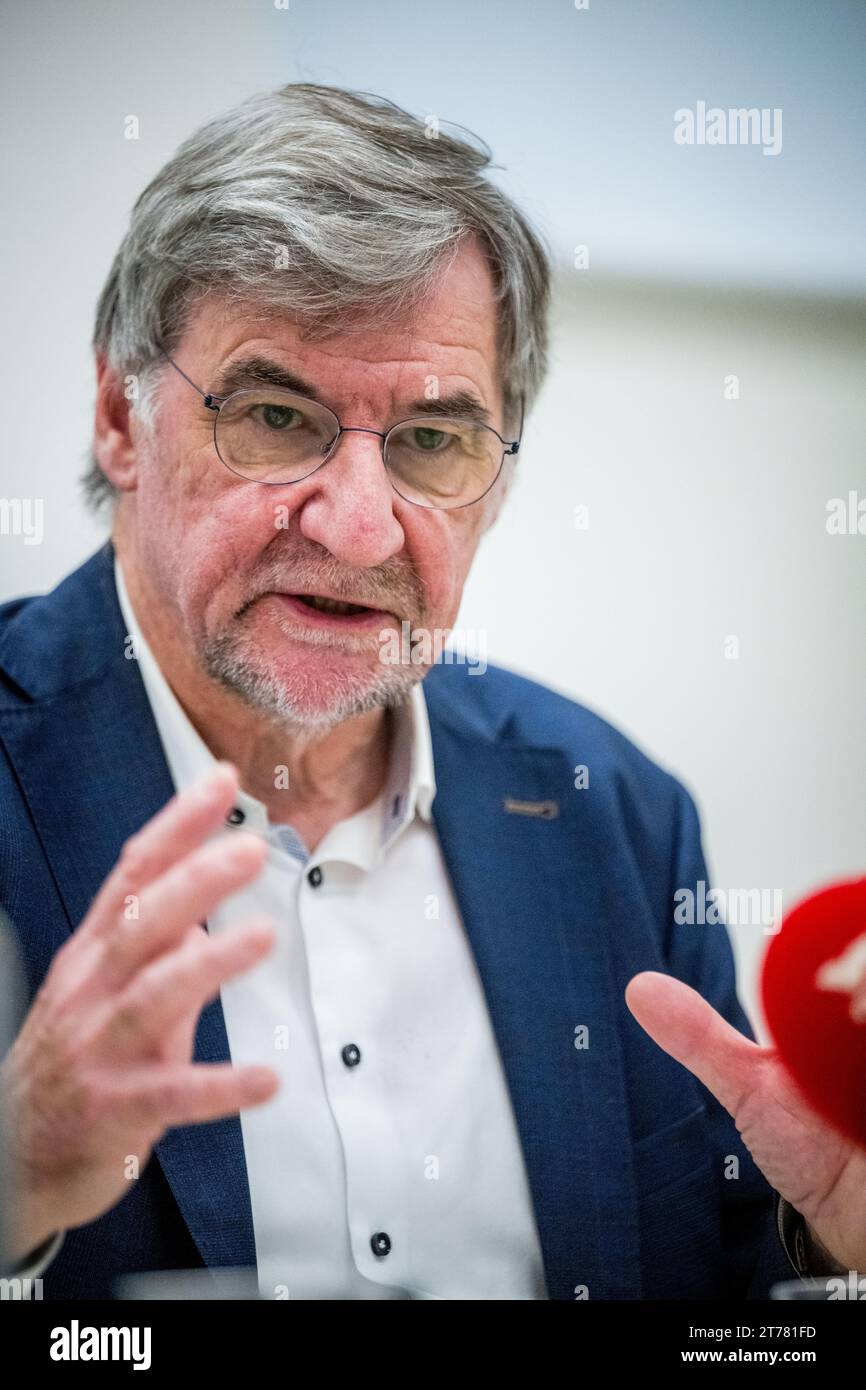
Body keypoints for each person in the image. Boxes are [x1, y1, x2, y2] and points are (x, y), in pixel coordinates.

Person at [0, 83, 862, 1301]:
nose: (358, 531)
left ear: (498, 476)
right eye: (272, 415)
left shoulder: (616, 813)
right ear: (118, 418)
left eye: (432, 441)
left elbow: (718, 1297)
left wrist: (825, 1252)